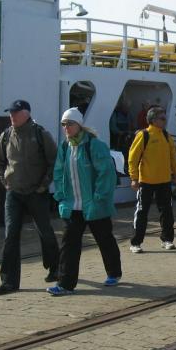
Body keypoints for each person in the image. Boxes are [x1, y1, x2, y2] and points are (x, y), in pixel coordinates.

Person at [47, 108, 122, 295]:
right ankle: (65, 284)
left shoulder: (95, 146)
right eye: (63, 124)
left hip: (94, 205)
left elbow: (106, 173)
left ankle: (114, 272)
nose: (66, 127)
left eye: (69, 124)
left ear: (79, 125)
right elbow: (58, 172)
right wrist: (61, 196)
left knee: (104, 239)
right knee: (69, 244)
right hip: (73, 206)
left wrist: (99, 197)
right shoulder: (65, 147)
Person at [0, 99, 59, 295]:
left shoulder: (40, 134)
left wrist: (43, 185)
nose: (11, 116)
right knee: (10, 236)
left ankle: (55, 267)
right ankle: (9, 282)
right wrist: (5, 181)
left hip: (37, 193)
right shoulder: (6, 135)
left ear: (26, 114)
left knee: (45, 231)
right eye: (10, 113)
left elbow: (54, 161)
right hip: (14, 193)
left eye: (15, 113)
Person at [127, 106, 176, 253]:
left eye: (164, 118)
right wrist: (134, 178)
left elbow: (172, 155)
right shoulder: (144, 135)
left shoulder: (166, 135)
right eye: (162, 118)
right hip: (146, 182)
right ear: (153, 120)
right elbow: (133, 157)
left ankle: (167, 240)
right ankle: (135, 243)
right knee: (142, 212)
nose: (165, 121)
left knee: (167, 212)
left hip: (164, 181)